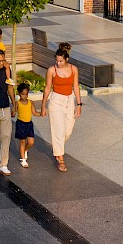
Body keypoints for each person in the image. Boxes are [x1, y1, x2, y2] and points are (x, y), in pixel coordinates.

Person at [41, 42, 82, 172]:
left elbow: (75, 87)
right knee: (58, 130)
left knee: (68, 130)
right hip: (56, 101)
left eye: (61, 61)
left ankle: (58, 147)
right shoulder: (51, 70)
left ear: (66, 59)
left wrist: (79, 104)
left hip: (69, 100)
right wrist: (43, 106)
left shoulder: (74, 69)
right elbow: (47, 88)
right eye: (57, 61)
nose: (58, 63)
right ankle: (60, 159)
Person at [15, 82, 41, 168]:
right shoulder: (17, 103)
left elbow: (34, 112)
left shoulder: (31, 103)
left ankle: (25, 150)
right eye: (23, 94)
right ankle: (23, 160)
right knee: (22, 141)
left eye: (26, 94)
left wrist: (41, 113)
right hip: (21, 123)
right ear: (19, 94)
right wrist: (12, 112)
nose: (24, 96)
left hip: (29, 124)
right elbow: (13, 112)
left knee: (31, 142)